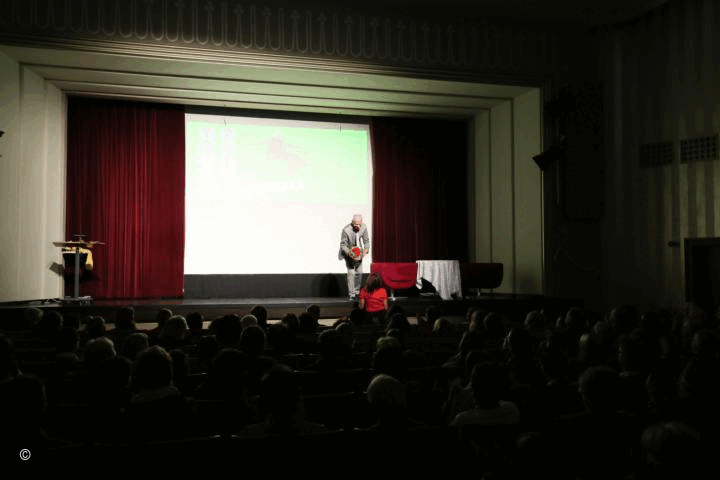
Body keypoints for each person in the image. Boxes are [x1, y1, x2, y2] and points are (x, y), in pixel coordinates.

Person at [339, 214, 370, 300]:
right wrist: (350, 253)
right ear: (352, 223)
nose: (358, 226)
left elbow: (366, 241)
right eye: (356, 224)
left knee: (359, 272)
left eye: (359, 224)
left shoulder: (364, 227)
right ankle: (351, 294)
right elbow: (343, 245)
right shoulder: (346, 230)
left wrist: (365, 251)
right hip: (349, 253)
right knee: (351, 272)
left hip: (359, 253)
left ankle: (356, 292)